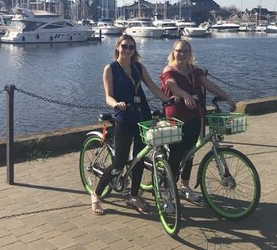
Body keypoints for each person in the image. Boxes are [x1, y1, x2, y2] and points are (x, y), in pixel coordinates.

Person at [91, 35, 167, 216]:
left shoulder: (138, 67)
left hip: (142, 115)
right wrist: (116, 104)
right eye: (124, 46)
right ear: (117, 47)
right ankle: (96, 194)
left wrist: (169, 100)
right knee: (119, 162)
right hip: (124, 116)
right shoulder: (110, 68)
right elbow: (108, 96)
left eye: (131, 47)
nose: (127, 50)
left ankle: (134, 196)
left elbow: (154, 88)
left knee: (139, 157)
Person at [159, 38, 236, 202]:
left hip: (195, 115)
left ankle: (184, 186)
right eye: (179, 50)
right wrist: (185, 95)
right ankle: (167, 191)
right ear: (173, 52)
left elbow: (209, 85)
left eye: (185, 51)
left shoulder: (195, 71)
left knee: (191, 153)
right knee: (176, 154)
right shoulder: (169, 70)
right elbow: (171, 85)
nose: (181, 54)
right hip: (177, 118)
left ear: (189, 54)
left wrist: (227, 97)